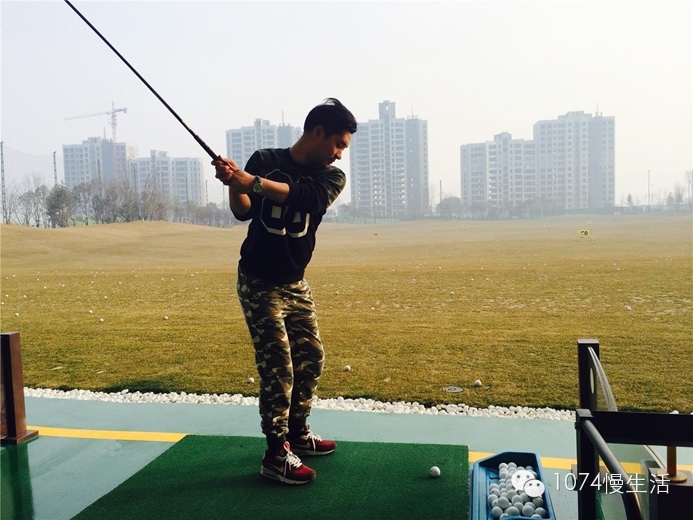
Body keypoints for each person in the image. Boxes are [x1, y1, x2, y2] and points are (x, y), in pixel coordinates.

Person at [213, 98, 357, 485]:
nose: (340, 154)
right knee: (278, 366)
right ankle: (276, 454)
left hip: (295, 282)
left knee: (312, 356)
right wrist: (234, 184)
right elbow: (244, 210)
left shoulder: (331, 178)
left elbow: (304, 197)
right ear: (318, 133)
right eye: (338, 144)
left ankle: (297, 433)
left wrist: (252, 182)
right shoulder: (265, 159)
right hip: (258, 280)